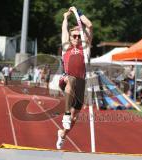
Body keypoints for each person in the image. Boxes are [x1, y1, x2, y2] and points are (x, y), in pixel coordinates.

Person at [56, 6, 93, 150]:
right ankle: (65, 114)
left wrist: (78, 12)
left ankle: (62, 134)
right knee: (70, 80)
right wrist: (66, 17)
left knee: (75, 117)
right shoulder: (66, 46)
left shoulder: (86, 47)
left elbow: (89, 25)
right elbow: (64, 30)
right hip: (66, 79)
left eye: (79, 35)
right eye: (74, 36)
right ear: (70, 38)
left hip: (81, 83)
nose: (76, 38)